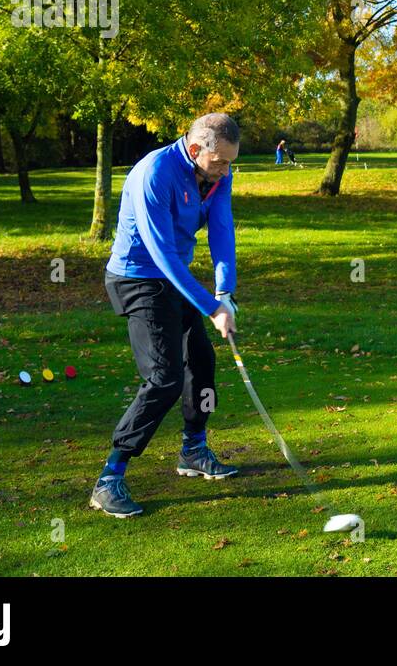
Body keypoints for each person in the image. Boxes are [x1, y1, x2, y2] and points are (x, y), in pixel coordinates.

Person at [90, 113, 241, 518]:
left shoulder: (216, 176)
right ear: (195, 150)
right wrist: (211, 308)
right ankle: (110, 477)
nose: (226, 171)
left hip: (174, 277)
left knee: (202, 363)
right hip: (138, 278)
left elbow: (222, 230)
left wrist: (224, 290)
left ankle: (193, 448)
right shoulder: (153, 173)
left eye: (231, 162)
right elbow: (161, 253)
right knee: (165, 377)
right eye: (220, 162)